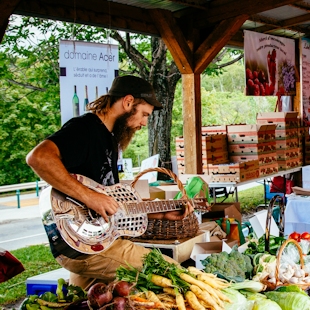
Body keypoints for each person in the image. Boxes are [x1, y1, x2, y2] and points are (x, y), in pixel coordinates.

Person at [26, 75, 192, 289]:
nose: (143, 122)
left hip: (92, 242)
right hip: (90, 248)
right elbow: (38, 157)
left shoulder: (110, 140)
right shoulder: (85, 128)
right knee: (174, 274)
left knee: (91, 302)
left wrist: (159, 214)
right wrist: (90, 197)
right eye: (143, 114)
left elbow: (111, 206)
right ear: (128, 102)